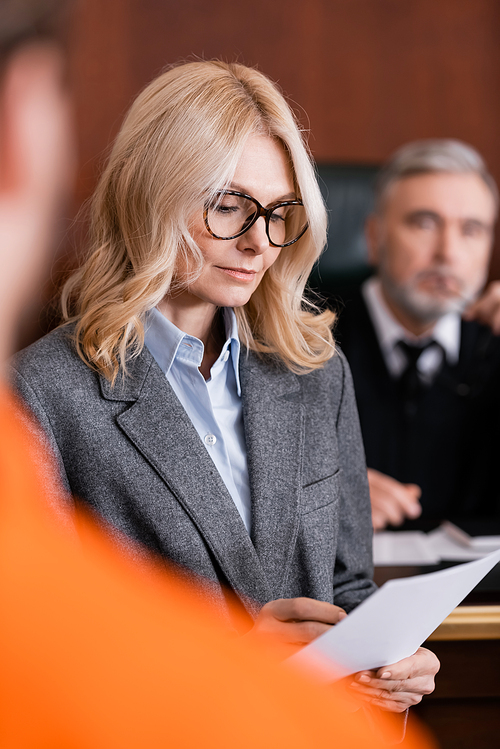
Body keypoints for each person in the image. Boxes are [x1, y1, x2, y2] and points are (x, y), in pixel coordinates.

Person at [0, 1, 438, 745]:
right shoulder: (41, 394)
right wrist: (237, 658)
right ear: (153, 193)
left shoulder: (314, 371)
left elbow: (348, 589)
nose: (260, 244)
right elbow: (32, 668)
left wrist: (389, 669)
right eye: (230, 207)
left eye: (278, 214)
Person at [333, 139, 500, 530]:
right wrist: (322, 495)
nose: (448, 253)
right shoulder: (303, 340)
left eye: (472, 230)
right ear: (374, 238)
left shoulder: (495, 345)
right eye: (424, 223)